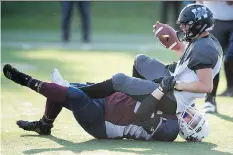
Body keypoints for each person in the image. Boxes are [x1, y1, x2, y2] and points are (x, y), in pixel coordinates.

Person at [2, 65, 209, 142]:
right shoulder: (177, 105)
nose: (190, 117)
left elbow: (141, 113)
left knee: (74, 94)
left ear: (187, 133)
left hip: (104, 124)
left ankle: (27, 81)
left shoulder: (170, 131)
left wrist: (161, 90)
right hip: (109, 100)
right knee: (67, 88)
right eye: (195, 116)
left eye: (192, 123)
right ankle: (45, 124)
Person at [196, 1, 233, 113]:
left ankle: (231, 87)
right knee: (213, 60)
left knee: (230, 57)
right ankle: (210, 99)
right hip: (213, 20)